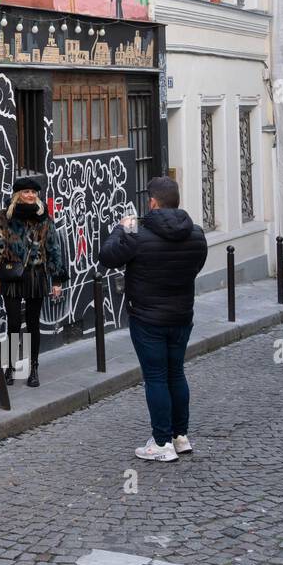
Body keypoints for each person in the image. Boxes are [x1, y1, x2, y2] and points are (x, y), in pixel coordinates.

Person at [97, 176, 208, 462]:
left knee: (156, 377)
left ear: (153, 202)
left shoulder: (137, 233)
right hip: (182, 316)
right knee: (176, 373)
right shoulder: (196, 234)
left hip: (148, 318)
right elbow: (194, 268)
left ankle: (161, 443)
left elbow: (107, 256)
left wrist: (122, 228)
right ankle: (179, 436)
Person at [0, 174, 66, 387]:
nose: (30, 195)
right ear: (18, 195)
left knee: (33, 324)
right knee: (13, 322)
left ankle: (33, 368)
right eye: (26, 192)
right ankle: (11, 367)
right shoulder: (4, 217)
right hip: (12, 274)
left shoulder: (44, 218)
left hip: (36, 274)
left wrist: (57, 279)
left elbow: (53, 248)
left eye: (33, 192)